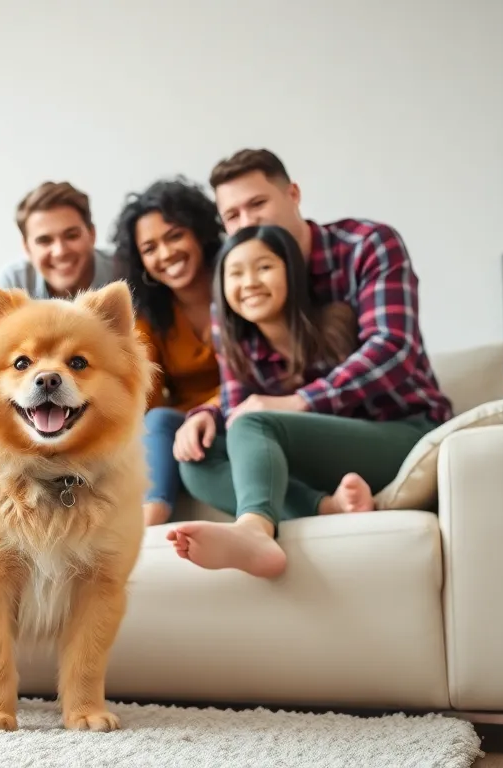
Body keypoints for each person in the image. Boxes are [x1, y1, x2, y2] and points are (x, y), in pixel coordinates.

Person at [167, 148, 454, 579]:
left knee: (254, 425)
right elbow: (241, 398)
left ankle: (255, 531)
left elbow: (393, 347)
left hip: (397, 428)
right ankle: (326, 507)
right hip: (307, 448)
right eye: (232, 216)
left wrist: (300, 402)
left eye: (257, 204)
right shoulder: (234, 291)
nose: (248, 223)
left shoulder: (366, 246)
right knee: (196, 457)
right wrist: (207, 414)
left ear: (294, 194)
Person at [109, 177, 226, 527]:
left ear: (199, 232)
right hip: (187, 426)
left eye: (175, 236)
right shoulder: (148, 315)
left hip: (244, 410)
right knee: (156, 421)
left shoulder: (239, 282)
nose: (166, 254)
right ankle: (152, 518)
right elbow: (142, 391)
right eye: (150, 248)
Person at [0, 180, 119, 299]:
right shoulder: (12, 284)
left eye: (72, 236)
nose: (60, 251)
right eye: (44, 241)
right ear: (27, 248)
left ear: (92, 234)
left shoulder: (127, 268)